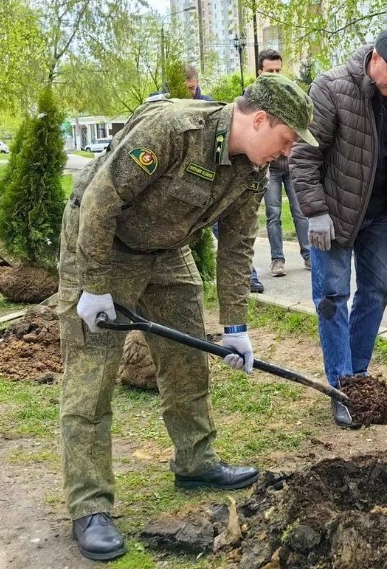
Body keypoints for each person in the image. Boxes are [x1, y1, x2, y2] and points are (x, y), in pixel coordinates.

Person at [58, 74, 317, 561]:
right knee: (91, 380)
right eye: (286, 141)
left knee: (186, 356)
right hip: (103, 247)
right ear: (260, 120)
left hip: (167, 253)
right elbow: (101, 200)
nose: (286, 155)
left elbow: (238, 246)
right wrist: (92, 285)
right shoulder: (174, 131)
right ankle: (90, 506)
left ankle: (195, 459)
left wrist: (237, 327)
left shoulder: (251, 171)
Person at [290, 26, 387, 429]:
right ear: (373, 59)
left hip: (378, 217)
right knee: (333, 296)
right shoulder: (331, 88)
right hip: (333, 216)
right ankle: (341, 388)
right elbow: (303, 158)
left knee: (376, 291)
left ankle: (357, 378)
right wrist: (315, 212)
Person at [185, 63, 266, 294]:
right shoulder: (165, 106)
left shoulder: (208, 105)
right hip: (191, 190)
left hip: (217, 187)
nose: (190, 92)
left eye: (192, 87)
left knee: (232, 234)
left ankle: (249, 276)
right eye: (186, 88)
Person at [250, 50, 312, 276]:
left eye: (278, 70)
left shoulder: (289, 95)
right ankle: (278, 260)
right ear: (259, 72)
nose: (275, 75)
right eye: (269, 71)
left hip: (291, 164)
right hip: (269, 168)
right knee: (273, 213)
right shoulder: (252, 98)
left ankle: (308, 255)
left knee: (301, 211)